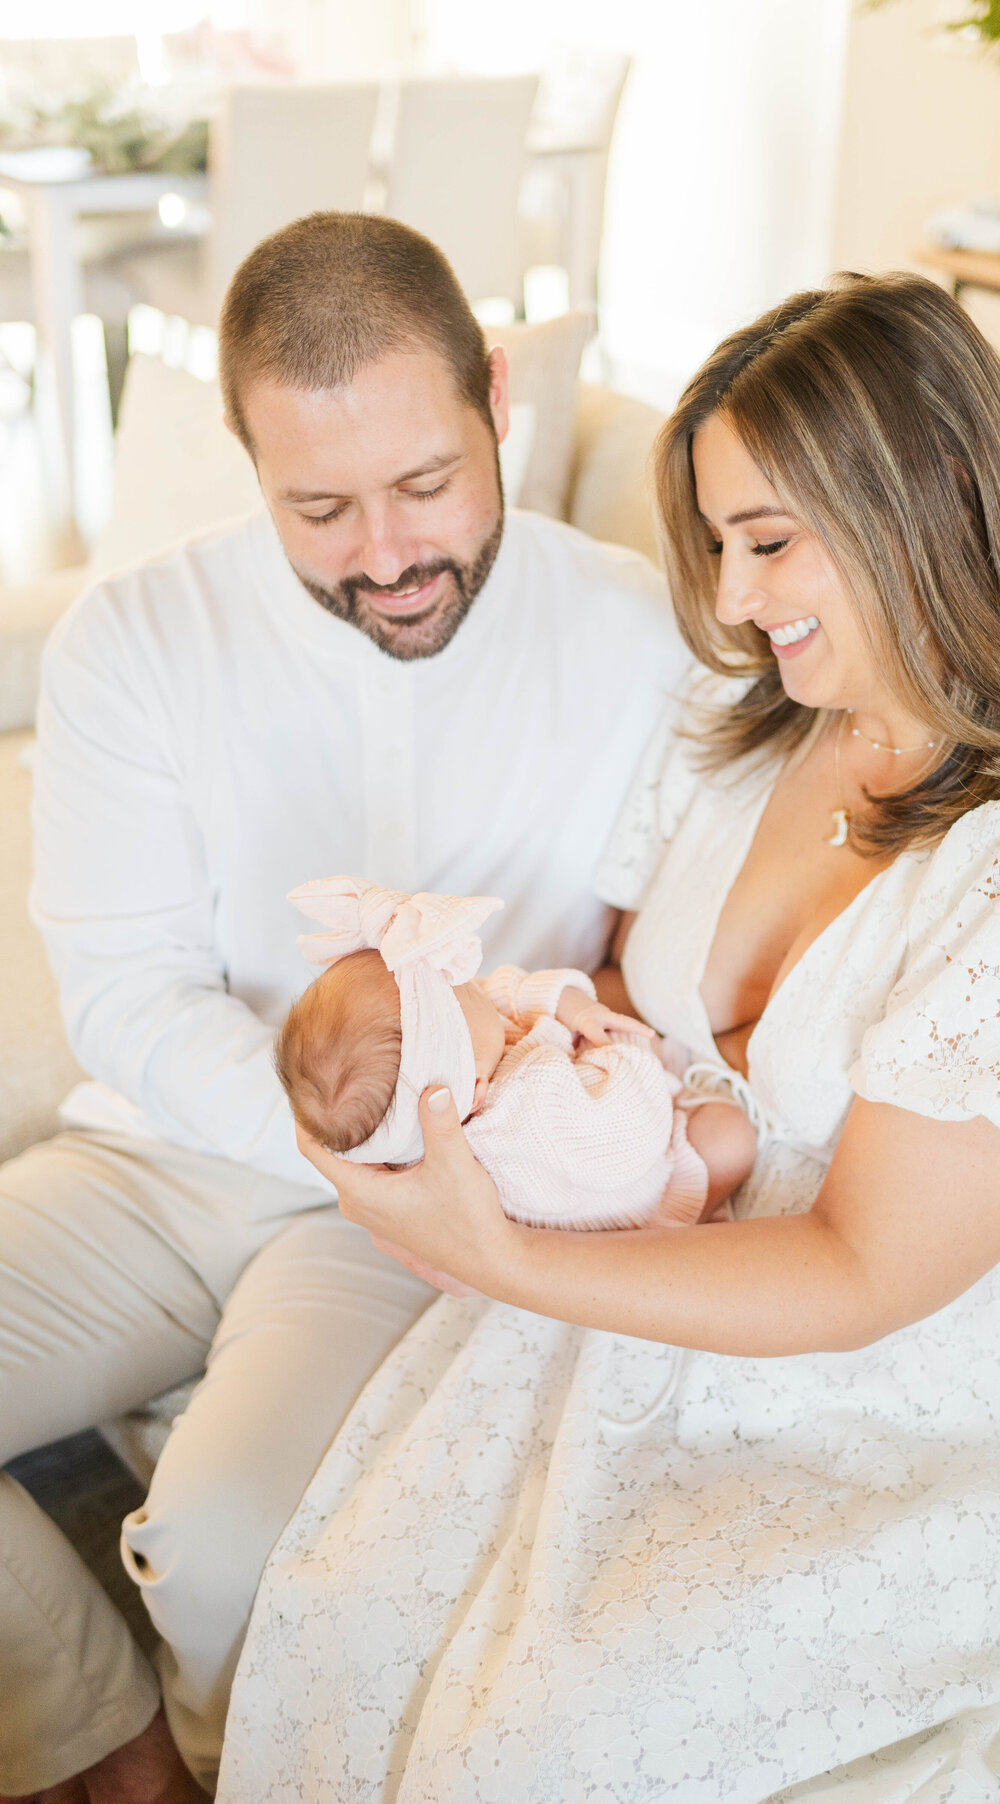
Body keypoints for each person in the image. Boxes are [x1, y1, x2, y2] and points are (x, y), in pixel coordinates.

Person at [216, 274, 1000, 1804]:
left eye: (769, 541)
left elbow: (868, 1272)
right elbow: (615, 997)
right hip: (650, 1270)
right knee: (350, 1603)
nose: (736, 600)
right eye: (722, 546)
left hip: (916, 1396)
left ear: (929, 492)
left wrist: (505, 1257)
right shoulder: (736, 733)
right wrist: (463, 1042)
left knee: (539, 1736)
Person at [0, 212, 685, 1801]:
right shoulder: (135, 641)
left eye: (426, 484)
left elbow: (669, 964)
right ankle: (106, 1744)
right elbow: (124, 992)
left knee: (235, 1554)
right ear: (245, 460)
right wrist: (322, 1138)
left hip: (421, 1212)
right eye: (318, 507)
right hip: (164, 1153)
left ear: (495, 393)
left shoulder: (638, 632)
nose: (386, 553)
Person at [275, 879, 756, 1246]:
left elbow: (510, 991)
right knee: (729, 1135)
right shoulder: (529, 1103)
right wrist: (613, 1051)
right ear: (478, 1087)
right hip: (638, 1189)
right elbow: (632, 1129)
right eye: (461, 987)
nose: (474, 980)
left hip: (582, 1182)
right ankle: (680, 1224)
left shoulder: (452, 1084)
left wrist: (578, 1010)